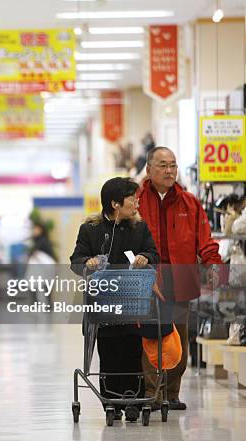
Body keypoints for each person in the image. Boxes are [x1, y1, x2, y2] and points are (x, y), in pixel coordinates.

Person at [137, 146, 222, 410]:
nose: (169, 170)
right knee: (153, 339)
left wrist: (215, 266)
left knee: (179, 342)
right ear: (149, 169)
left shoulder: (189, 202)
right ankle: (153, 394)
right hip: (147, 282)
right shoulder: (136, 200)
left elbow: (205, 241)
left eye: (173, 165)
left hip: (181, 280)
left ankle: (172, 393)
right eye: (163, 165)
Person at [70, 177, 160, 421]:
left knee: (132, 350)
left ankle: (133, 399)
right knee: (109, 351)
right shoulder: (90, 229)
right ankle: (110, 400)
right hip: (103, 305)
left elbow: (153, 253)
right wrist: (86, 263)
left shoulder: (138, 228)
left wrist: (145, 257)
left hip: (133, 302)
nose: (137, 202)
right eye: (132, 198)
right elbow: (76, 260)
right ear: (115, 203)